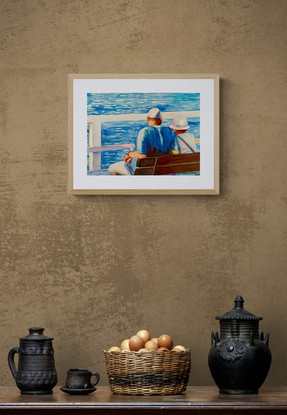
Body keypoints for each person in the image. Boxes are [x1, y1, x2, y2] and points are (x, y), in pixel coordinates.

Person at [108, 108, 180, 175]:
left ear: (148, 119)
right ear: (160, 119)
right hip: (163, 170)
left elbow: (142, 155)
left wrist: (129, 154)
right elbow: (176, 152)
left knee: (112, 168)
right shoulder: (170, 131)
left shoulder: (144, 132)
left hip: (144, 172)